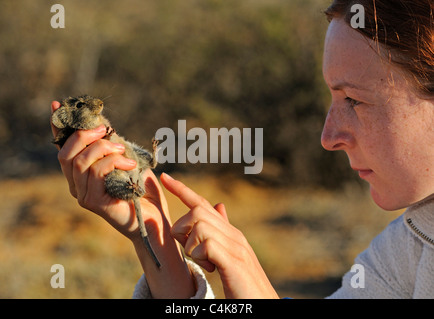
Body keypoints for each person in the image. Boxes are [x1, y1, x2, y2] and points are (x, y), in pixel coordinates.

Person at [50, 0, 434, 298]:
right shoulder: (413, 240)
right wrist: (153, 236)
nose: (328, 135)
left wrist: (256, 284)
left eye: (354, 99)